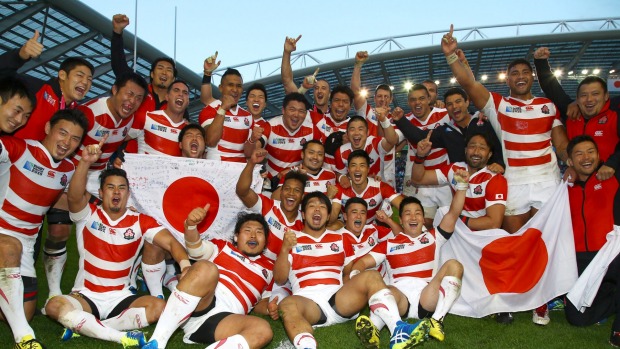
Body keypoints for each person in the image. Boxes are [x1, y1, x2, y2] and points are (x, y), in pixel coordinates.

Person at [442, 24, 569, 324]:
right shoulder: (499, 105)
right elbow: (469, 84)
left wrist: (570, 161)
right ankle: (514, 294)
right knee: (513, 240)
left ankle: (543, 301)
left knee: (544, 241)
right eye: (515, 73)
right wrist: (451, 57)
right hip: (515, 182)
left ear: (533, 76)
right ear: (508, 78)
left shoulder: (547, 106)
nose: (521, 77)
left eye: (526, 72)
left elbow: (560, 142)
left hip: (547, 180)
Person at [44, 138, 191, 347]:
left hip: (121, 298)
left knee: (159, 307)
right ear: (101, 193)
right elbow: (75, 196)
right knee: (54, 305)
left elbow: (171, 243)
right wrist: (85, 162)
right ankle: (120, 336)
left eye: (121, 188)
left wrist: (184, 264)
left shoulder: (140, 221)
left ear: (128, 194)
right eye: (110, 187)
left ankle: (86, 326)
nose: (116, 192)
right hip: (87, 296)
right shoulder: (88, 215)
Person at [275, 191, 430, 349]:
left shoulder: (340, 239)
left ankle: (398, 329)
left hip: (338, 300)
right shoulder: (291, 239)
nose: (317, 210)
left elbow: (349, 272)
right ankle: (307, 346)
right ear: (302, 213)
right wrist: (284, 249)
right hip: (308, 302)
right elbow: (280, 279)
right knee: (287, 305)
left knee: (371, 275)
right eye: (312, 206)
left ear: (328, 215)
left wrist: (356, 285)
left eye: (322, 207)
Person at [43, 72, 149, 299]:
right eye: (128, 93)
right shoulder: (89, 113)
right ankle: (54, 293)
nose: (132, 101)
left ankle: (126, 284)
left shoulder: (129, 119)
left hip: (99, 179)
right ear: (114, 90)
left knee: (128, 223)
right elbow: (63, 141)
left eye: (138, 98)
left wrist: (117, 156)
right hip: (72, 174)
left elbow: (121, 141)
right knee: (59, 231)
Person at [0, 109, 88, 349]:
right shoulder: (17, 149)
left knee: (22, 310)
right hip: (3, 235)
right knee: (9, 246)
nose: (66, 142)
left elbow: (72, 201)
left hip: (26, 245)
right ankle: (25, 338)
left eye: (75, 139)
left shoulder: (69, 169)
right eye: (63, 133)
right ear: (48, 128)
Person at [350, 174, 466, 345]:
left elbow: (454, 213)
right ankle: (376, 327)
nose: (413, 217)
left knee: (455, 265)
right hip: (399, 299)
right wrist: (354, 275)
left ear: (422, 218)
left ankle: (436, 321)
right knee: (380, 287)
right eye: (408, 214)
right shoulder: (388, 244)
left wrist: (462, 187)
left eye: (417, 213)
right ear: (401, 221)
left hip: (427, 298)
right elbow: (363, 262)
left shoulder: (434, 237)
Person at [142, 210, 274, 349]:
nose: (253, 235)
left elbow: (262, 302)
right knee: (206, 268)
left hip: (224, 321)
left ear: (265, 240)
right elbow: (195, 249)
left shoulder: (270, 269)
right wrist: (191, 226)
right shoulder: (223, 247)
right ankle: (157, 342)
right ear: (236, 237)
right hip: (200, 304)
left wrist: (270, 308)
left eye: (259, 232)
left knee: (263, 330)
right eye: (247, 230)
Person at [562, 135, 620, 346]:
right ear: (570, 161)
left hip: (611, 254)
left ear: (599, 155)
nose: (586, 157)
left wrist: (612, 164)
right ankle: (613, 297)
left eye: (590, 152)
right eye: (579, 153)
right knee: (577, 318)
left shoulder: (613, 178)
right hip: (581, 261)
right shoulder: (564, 188)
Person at [534, 47, 620, 179]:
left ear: (606, 96)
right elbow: (552, 89)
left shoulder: (615, 112)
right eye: (584, 95)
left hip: (612, 179)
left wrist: (613, 164)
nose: (589, 99)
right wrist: (541, 63)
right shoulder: (571, 112)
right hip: (580, 182)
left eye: (595, 94)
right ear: (578, 98)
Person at [0, 30, 94, 141]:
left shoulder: (75, 114)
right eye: (80, 75)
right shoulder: (36, 88)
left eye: (89, 79)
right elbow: (3, 75)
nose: (85, 82)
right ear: (62, 75)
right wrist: (20, 55)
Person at [412, 132, 507, 230]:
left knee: (444, 214)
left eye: (482, 148)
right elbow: (418, 179)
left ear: (489, 154)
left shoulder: (495, 178)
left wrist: (456, 219)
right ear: (466, 150)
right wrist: (420, 156)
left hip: (481, 237)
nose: (476, 152)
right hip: (458, 230)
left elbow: (494, 223)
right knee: (441, 214)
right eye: (472, 146)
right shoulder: (455, 169)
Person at [393, 87, 504, 169]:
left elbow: (499, 144)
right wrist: (400, 120)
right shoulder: (445, 131)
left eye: (458, 101)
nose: (454, 106)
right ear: (446, 108)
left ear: (467, 102)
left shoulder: (484, 122)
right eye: (449, 104)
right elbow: (420, 136)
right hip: (461, 184)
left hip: (489, 181)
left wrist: (499, 163)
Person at [236, 148, 305, 261]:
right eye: (287, 189)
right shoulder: (267, 205)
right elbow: (242, 191)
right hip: (253, 265)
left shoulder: (304, 223)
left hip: (278, 275)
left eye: (297, 190)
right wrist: (251, 163)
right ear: (281, 192)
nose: (291, 193)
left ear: (302, 197)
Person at [399, 84, 452, 229]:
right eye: (413, 100)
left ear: (429, 99)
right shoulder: (405, 120)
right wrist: (385, 120)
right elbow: (392, 140)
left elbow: (464, 120)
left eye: (422, 98)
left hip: (444, 180)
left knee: (450, 222)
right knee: (424, 223)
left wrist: (480, 114)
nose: (417, 103)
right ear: (409, 102)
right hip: (421, 182)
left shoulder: (445, 114)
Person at [260, 92, 323, 180]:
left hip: (298, 180)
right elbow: (252, 150)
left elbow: (319, 158)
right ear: (283, 110)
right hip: (270, 181)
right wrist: (253, 142)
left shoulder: (312, 130)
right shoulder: (270, 126)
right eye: (292, 109)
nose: (296, 114)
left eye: (301, 111)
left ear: (306, 114)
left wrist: (292, 170)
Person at [330, 150, 404, 224]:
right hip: (348, 231)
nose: (357, 169)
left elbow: (405, 207)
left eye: (362, 165)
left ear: (368, 169)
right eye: (353, 165)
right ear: (348, 170)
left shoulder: (380, 187)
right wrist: (329, 198)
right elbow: (330, 220)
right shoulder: (340, 188)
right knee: (333, 226)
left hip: (372, 231)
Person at [199, 68, 256, 162]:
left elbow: (249, 154)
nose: (235, 89)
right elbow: (211, 141)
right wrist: (223, 109)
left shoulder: (248, 116)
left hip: (240, 171)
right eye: (230, 85)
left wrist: (253, 140)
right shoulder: (210, 109)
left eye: (239, 86)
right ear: (221, 88)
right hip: (218, 168)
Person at [125, 80, 190, 156]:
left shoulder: (189, 131)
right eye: (176, 90)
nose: (181, 94)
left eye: (185, 93)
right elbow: (119, 138)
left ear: (188, 101)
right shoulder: (146, 118)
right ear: (167, 96)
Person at [333, 115, 399, 188]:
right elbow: (340, 173)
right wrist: (341, 177)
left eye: (360, 129)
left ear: (367, 132)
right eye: (352, 129)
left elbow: (392, 141)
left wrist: (383, 120)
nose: (356, 133)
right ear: (347, 134)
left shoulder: (375, 143)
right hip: (356, 192)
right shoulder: (341, 152)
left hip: (379, 189)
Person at [340, 198, 396, 281]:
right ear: (345, 216)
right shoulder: (337, 238)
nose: (358, 216)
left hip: (386, 278)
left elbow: (401, 236)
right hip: (359, 283)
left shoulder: (372, 229)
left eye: (362, 213)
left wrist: (388, 220)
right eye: (354, 212)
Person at [272, 140, 337, 200]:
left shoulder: (331, 175)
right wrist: (298, 178)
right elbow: (274, 198)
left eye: (320, 154)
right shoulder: (290, 174)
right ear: (302, 155)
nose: (315, 157)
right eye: (311, 152)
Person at [281, 35, 330, 114]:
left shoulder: (337, 116)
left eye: (323, 88)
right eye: (316, 88)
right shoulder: (305, 112)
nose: (319, 91)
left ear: (329, 94)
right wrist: (287, 52)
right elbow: (287, 82)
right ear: (313, 93)